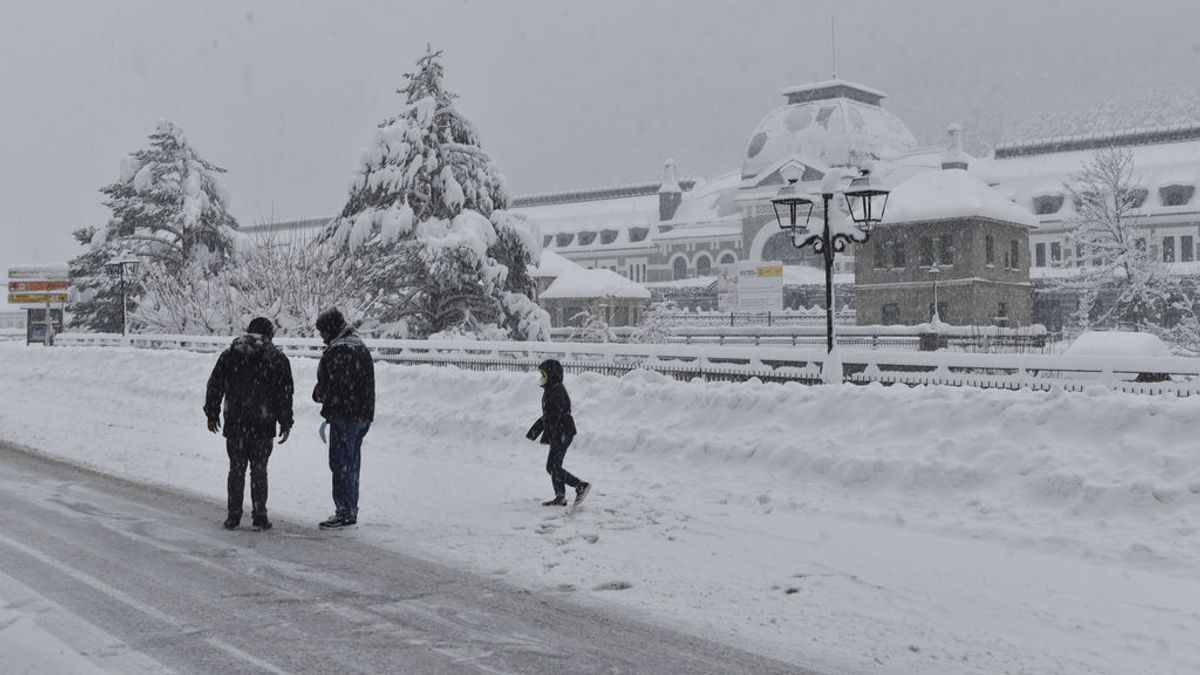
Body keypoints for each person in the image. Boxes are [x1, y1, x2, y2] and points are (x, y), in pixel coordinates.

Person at [204, 317, 294, 531]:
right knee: (259, 469)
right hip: (263, 422)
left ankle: (233, 515)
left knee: (236, 469)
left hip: (235, 420)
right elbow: (285, 394)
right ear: (269, 334)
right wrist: (285, 421)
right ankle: (260, 515)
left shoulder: (230, 355)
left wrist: (212, 413)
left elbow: (215, 385)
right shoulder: (276, 358)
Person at [312, 307, 375, 529]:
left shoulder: (339, 350)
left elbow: (334, 386)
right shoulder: (357, 345)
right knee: (352, 462)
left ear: (330, 329)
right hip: (362, 414)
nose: (321, 337)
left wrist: (322, 395)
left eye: (322, 333)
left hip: (344, 414)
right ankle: (350, 508)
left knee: (340, 463)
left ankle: (345, 511)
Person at [526, 359, 591, 507]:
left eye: (543, 374)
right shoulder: (552, 389)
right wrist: (537, 431)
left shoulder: (556, 390)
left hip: (563, 431)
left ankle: (580, 485)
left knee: (552, 467)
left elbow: (557, 414)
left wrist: (551, 432)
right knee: (555, 465)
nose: (541, 378)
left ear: (552, 375)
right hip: (560, 432)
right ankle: (560, 496)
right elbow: (549, 416)